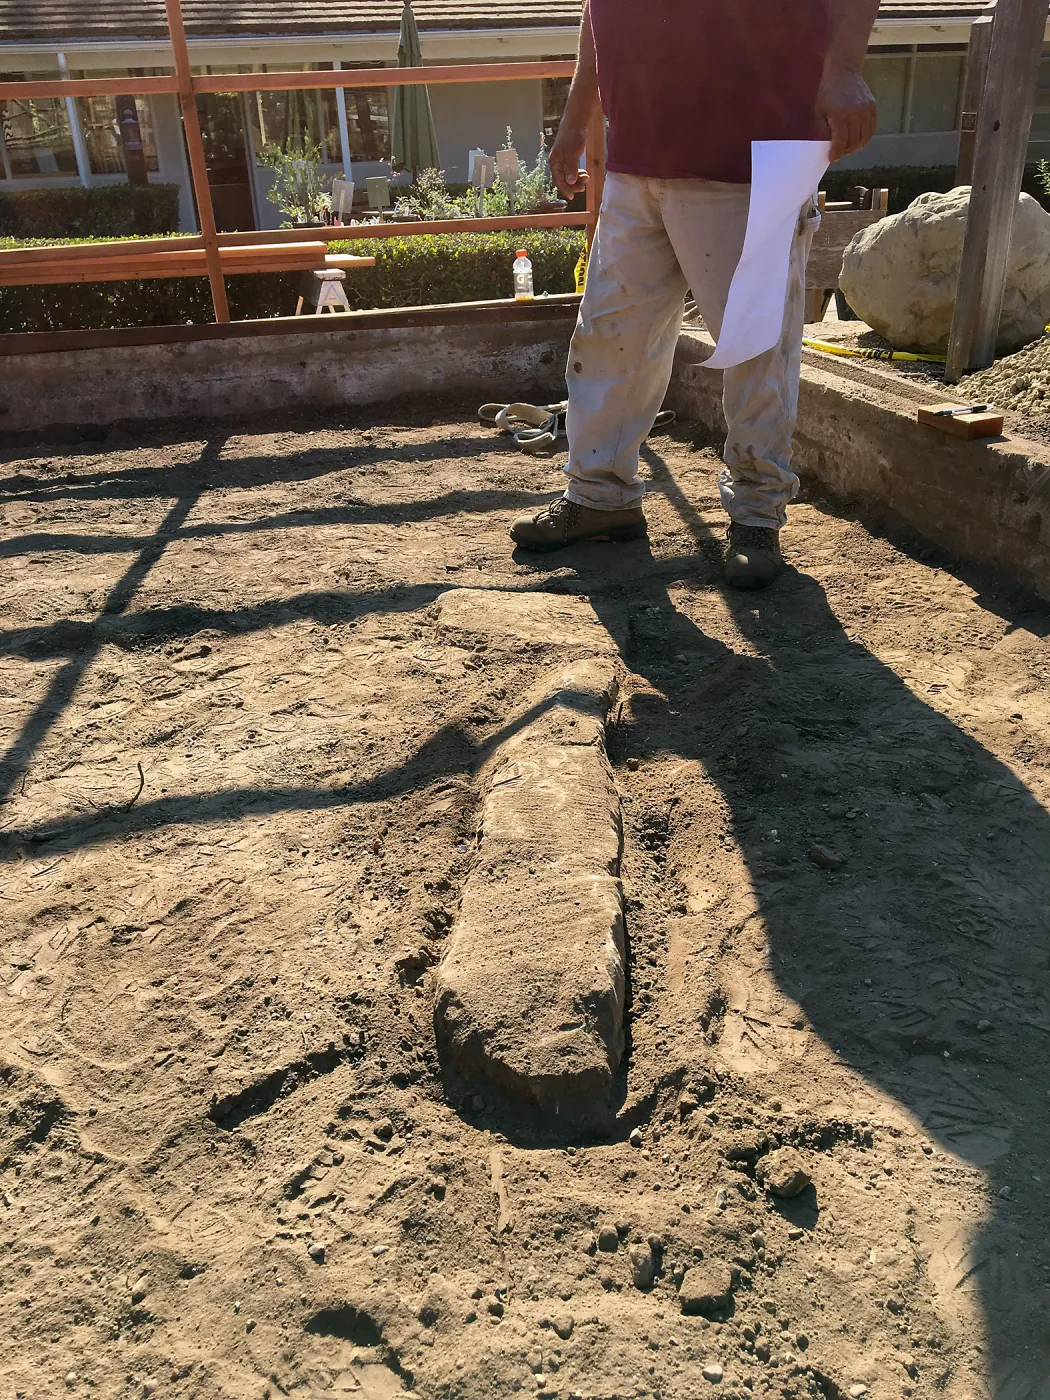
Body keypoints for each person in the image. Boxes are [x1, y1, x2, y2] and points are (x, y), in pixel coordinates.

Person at [510, 0, 879, 587]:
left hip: (753, 152)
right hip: (638, 155)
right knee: (609, 336)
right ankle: (601, 495)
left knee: (756, 347)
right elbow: (595, 13)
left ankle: (757, 516)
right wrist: (577, 116)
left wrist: (844, 67)